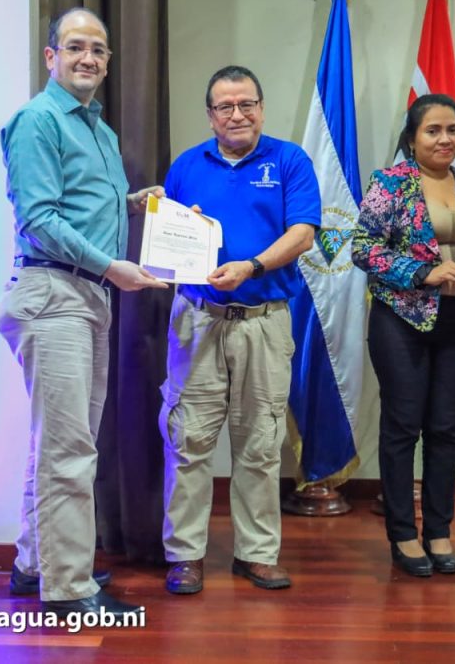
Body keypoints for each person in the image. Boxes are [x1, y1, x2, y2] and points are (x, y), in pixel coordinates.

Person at [0, 7, 167, 617]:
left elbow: (74, 204)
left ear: (108, 61)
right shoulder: (38, 121)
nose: (87, 57)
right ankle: (68, 590)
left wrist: (131, 203)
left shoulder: (100, 131)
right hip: (54, 294)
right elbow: (39, 219)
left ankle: (34, 565)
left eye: (97, 49)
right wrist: (112, 266)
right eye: (74, 47)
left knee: (62, 444)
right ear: (51, 57)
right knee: (69, 451)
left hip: (84, 296)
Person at [158, 65, 320, 595]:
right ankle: (185, 555)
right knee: (188, 438)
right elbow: (169, 242)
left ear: (262, 108)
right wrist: (176, 229)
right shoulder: (186, 166)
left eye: (246, 103)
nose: (237, 114)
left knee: (261, 442)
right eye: (225, 106)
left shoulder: (289, 160)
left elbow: (303, 234)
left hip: (264, 321)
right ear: (210, 116)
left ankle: (257, 553)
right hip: (198, 319)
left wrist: (251, 267)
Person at [351, 94, 455, 578]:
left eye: (452, 130)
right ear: (413, 137)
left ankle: (439, 530)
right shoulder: (390, 183)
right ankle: (402, 533)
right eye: (433, 130)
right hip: (401, 321)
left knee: (445, 429)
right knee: (402, 427)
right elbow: (363, 248)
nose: (445, 139)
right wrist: (423, 272)